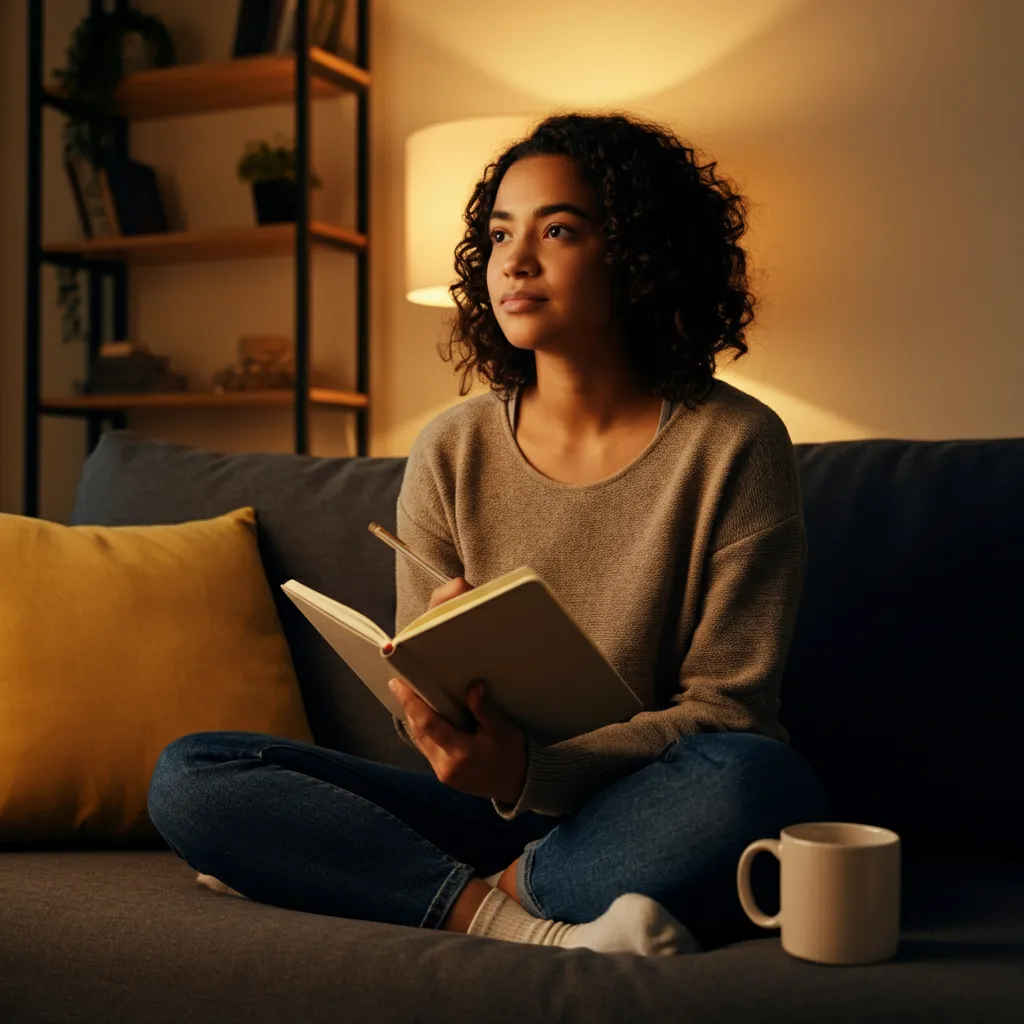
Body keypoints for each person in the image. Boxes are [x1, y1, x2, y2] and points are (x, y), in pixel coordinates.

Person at [147, 111, 831, 957]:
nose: (516, 260)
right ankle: (514, 920)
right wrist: (444, 703)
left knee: (758, 782)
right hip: (475, 811)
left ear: (638, 251)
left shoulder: (735, 445)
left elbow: (728, 712)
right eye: (501, 232)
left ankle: (462, 890)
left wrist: (530, 771)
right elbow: (419, 718)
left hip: (643, 803)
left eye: (558, 230)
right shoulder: (452, 446)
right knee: (193, 775)